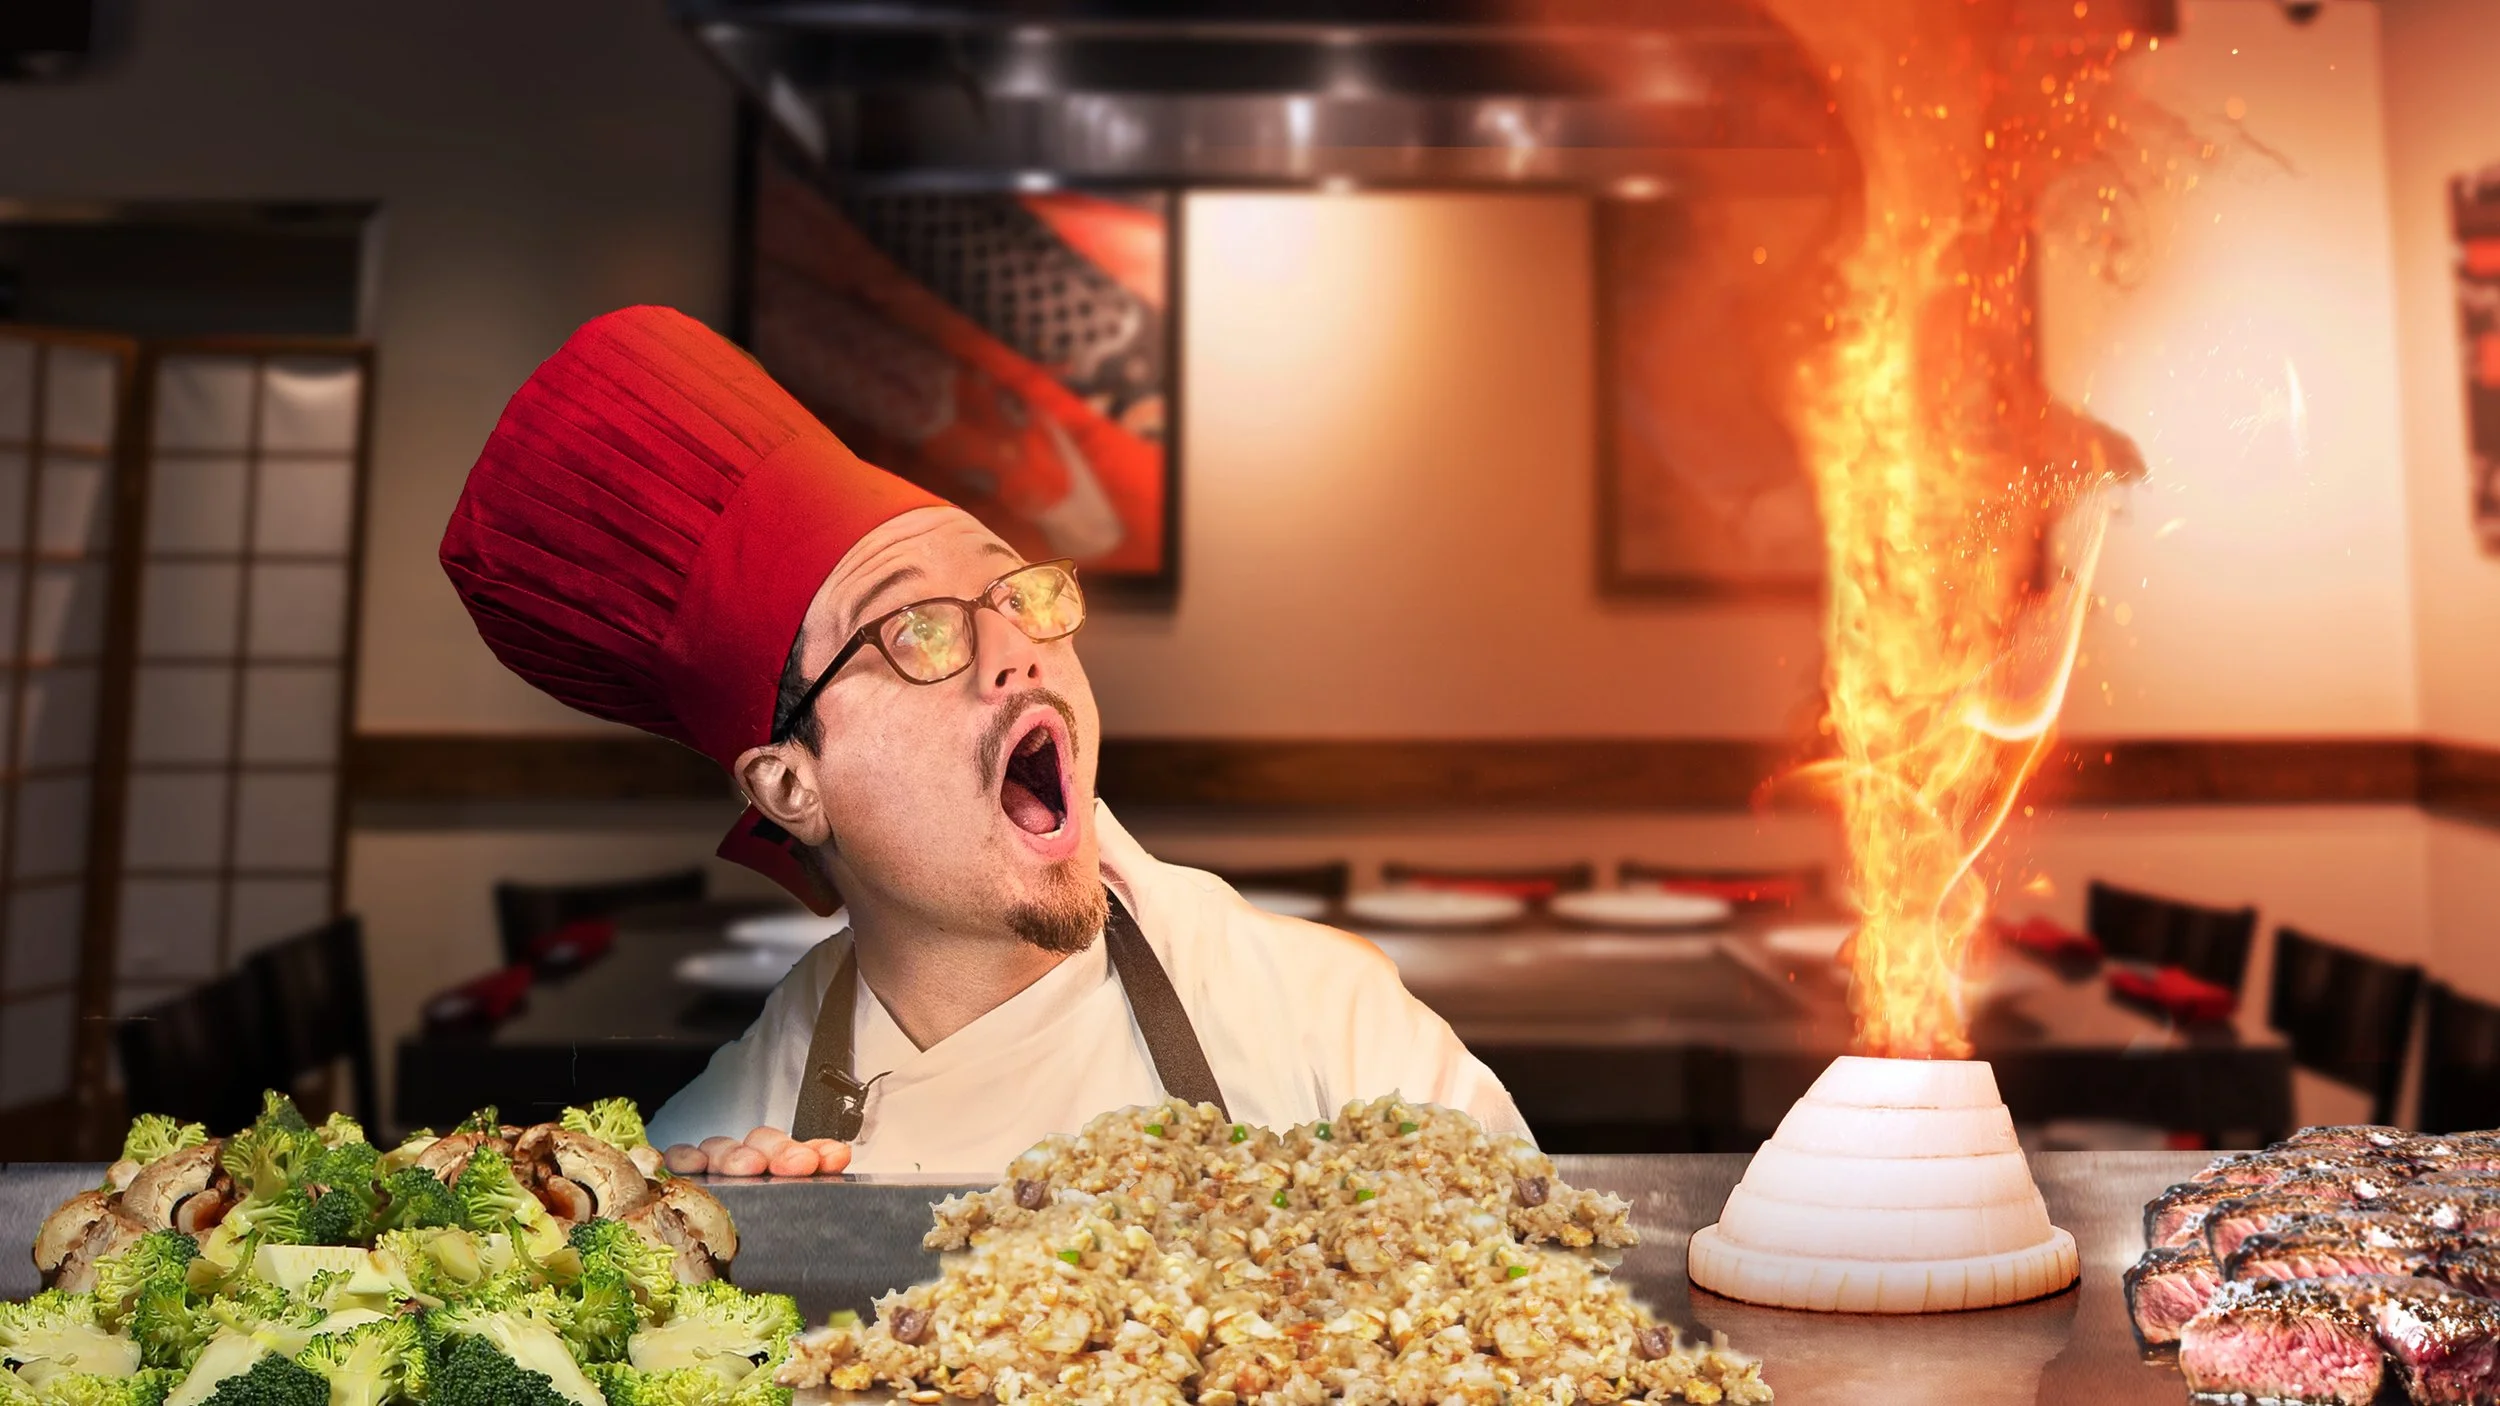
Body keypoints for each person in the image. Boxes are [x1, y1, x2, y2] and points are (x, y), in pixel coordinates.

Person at [443, 306, 1526, 1175]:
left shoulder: (1327, 1027)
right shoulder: (731, 1133)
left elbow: (1550, 1327)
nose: (1013, 647)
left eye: (1014, 589)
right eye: (915, 627)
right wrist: (750, 1252)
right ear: (787, 785)